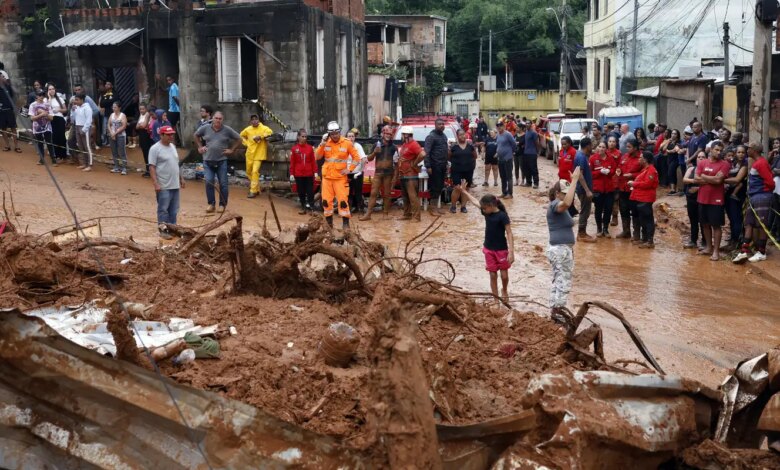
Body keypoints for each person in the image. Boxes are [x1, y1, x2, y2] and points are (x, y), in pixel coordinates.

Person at [461, 187, 515, 303]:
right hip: (489, 249)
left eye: (484, 208)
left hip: (501, 250)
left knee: (504, 276)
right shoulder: (487, 213)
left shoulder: (502, 216)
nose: (483, 210)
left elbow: (509, 233)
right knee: (492, 275)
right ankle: (496, 299)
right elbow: (475, 202)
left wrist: (511, 252)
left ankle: (504, 290)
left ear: (491, 206)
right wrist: (464, 192)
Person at [546, 167, 582, 324]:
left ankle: (555, 311)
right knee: (563, 282)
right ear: (556, 193)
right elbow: (567, 202)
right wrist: (574, 180)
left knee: (559, 281)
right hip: (560, 249)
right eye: (564, 193)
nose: (568, 196)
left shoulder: (563, 208)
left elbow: (570, 202)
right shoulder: (555, 205)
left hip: (563, 249)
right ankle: (558, 314)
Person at [733, 143, 776, 263]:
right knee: (749, 223)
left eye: (749, 148)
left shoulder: (761, 163)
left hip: (761, 196)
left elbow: (770, 183)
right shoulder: (758, 163)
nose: (747, 150)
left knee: (761, 225)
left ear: (754, 150)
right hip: (754, 196)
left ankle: (761, 252)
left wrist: (763, 192)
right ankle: (744, 251)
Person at [194, 111, 242, 212]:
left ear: (222, 119)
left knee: (223, 184)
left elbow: (239, 138)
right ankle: (211, 204)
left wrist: (232, 150)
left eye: (220, 119)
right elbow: (196, 135)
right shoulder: (205, 128)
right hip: (207, 160)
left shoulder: (227, 130)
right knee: (209, 182)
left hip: (221, 161)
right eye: (216, 118)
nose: (218, 120)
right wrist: (200, 147)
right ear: (213, 118)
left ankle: (222, 205)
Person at [315, 121, 359, 229]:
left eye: (336, 133)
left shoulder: (347, 143)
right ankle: (329, 225)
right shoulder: (325, 142)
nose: (335, 136)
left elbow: (356, 158)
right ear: (329, 134)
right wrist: (322, 143)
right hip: (327, 177)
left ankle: (346, 225)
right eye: (332, 134)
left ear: (340, 132)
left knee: (343, 201)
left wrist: (349, 169)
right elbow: (317, 156)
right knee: (326, 202)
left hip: (340, 178)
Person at [694, 141, 730, 261]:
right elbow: (696, 179)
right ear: (711, 150)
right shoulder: (702, 162)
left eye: (721, 150)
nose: (719, 152)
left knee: (716, 225)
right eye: (717, 150)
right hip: (702, 198)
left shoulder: (725, 164)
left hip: (716, 200)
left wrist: (704, 176)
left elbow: (718, 181)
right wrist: (712, 178)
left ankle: (716, 252)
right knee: (704, 224)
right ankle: (709, 247)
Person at [149, 125, 184, 240]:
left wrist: (181, 178)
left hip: (175, 184)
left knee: (174, 209)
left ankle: (173, 229)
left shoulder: (173, 146)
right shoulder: (155, 149)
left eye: (172, 134)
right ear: (161, 135)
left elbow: (176, 164)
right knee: (163, 209)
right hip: (163, 184)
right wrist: (155, 183)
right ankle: (163, 230)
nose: (171, 136)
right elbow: (152, 167)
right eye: (168, 135)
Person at [360, 125, 396, 220]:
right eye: (387, 133)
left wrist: (395, 177)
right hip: (378, 173)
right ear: (383, 134)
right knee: (373, 193)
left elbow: (396, 163)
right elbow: (369, 159)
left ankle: (385, 214)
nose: (388, 135)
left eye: (390, 134)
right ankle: (368, 214)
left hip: (388, 174)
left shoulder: (393, 147)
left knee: (387, 194)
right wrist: (375, 152)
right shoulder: (377, 145)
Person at [394, 125, 426, 221]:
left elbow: (423, 154)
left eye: (402, 134)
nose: (401, 136)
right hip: (403, 174)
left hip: (411, 175)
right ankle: (407, 214)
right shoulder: (405, 145)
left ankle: (416, 217)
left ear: (406, 135)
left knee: (412, 197)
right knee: (405, 197)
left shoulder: (413, 144)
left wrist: (414, 163)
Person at [628, 152, 659, 248]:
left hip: (646, 198)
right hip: (640, 198)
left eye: (641, 157)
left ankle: (650, 241)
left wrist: (634, 184)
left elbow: (647, 184)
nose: (639, 159)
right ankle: (645, 239)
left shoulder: (651, 170)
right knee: (642, 219)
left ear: (645, 160)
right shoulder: (645, 169)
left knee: (647, 219)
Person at [240, 114, 273, 198]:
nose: (254, 121)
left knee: (255, 171)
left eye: (256, 119)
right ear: (250, 121)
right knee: (248, 172)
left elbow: (270, 132)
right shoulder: (248, 129)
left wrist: (261, 137)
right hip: (249, 154)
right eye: (253, 119)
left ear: (259, 120)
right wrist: (247, 143)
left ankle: (253, 191)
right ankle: (257, 188)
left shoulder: (264, 128)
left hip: (259, 154)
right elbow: (241, 136)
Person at [723, 145, 748, 251]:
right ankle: (733, 240)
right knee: (731, 218)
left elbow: (737, 179)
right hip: (729, 193)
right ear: (735, 153)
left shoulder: (745, 165)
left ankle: (736, 242)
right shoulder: (733, 163)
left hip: (738, 195)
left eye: (743, 152)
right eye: (739, 152)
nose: (741, 154)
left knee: (736, 218)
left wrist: (721, 180)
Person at [589, 141, 617, 237]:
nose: (601, 149)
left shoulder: (610, 158)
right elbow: (590, 173)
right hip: (598, 189)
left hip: (609, 189)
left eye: (603, 147)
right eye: (600, 146)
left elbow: (614, 170)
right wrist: (599, 172)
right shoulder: (593, 158)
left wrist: (609, 171)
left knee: (608, 209)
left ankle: (605, 228)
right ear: (597, 147)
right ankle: (599, 228)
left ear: (606, 149)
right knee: (598, 209)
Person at [616, 139, 642, 240]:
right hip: (623, 188)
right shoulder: (625, 156)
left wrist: (632, 175)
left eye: (629, 147)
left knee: (635, 211)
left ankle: (636, 234)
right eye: (627, 146)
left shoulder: (641, 158)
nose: (627, 149)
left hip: (634, 189)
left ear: (635, 148)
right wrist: (618, 170)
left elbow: (644, 172)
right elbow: (619, 167)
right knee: (623, 210)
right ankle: (626, 231)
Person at [448, 129, 478, 213]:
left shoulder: (470, 145)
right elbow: (449, 157)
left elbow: (475, 156)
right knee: (457, 188)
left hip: (468, 170)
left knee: (466, 188)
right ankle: (453, 206)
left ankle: (463, 207)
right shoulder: (453, 146)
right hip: (456, 170)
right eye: (460, 135)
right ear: (457, 136)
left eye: (463, 134)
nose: (462, 136)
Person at [423, 118, 450, 215]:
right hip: (434, 166)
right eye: (439, 124)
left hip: (442, 165)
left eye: (443, 124)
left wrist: (447, 164)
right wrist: (428, 166)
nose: (442, 125)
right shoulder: (431, 137)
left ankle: (436, 207)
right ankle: (432, 208)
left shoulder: (444, 136)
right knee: (434, 187)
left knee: (440, 186)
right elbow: (426, 152)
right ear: (435, 125)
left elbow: (445, 150)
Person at [682, 151, 706, 249]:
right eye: (699, 157)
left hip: (703, 198)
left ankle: (705, 241)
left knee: (703, 221)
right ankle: (693, 240)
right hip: (691, 198)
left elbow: (709, 182)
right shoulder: (691, 168)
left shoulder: (707, 169)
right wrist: (695, 181)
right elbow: (684, 179)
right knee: (693, 220)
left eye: (703, 157)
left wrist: (698, 188)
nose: (700, 158)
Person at [573, 138, 596, 242]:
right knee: (585, 211)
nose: (592, 147)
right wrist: (587, 190)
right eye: (591, 145)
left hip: (582, 188)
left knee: (585, 210)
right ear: (587, 146)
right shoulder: (581, 157)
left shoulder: (580, 155)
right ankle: (581, 234)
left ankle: (582, 233)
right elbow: (580, 175)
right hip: (583, 189)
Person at [289, 128, 317, 214]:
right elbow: (292, 162)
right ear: (298, 137)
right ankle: (303, 206)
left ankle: (312, 207)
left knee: (310, 191)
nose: (304, 138)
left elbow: (313, 161)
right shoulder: (294, 149)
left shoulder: (310, 148)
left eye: (305, 137)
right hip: (298, 174)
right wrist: (291, 174)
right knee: (301, 191)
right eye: (302, 136)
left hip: (309, 173)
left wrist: (315, 172)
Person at [28, 90, 56, 166]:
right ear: (36, 96)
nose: (41, 97)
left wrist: (44, 114)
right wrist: (41, 114)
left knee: (49, 142)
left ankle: (53, 159)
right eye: (40, 95)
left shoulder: (47, 105)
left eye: (43, 95)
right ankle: (41, 159)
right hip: (37, 127)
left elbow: (51, 118)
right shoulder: (32, 105)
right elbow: (32, 118)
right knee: (40, 143)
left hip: (47, 127)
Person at [45, 84, 68, 162]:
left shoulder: (60, 99)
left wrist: (58, 110)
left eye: (53, 89)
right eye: (50, 89)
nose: (52, 90)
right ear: (47, 91)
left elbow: (65, 110)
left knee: (61, 137)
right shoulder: (46, 100)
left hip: (60, 119)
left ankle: (63, 155)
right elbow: (46, 108)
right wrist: (49, 98)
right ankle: (57, 155)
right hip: (51, 119)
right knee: (54, 137)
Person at [346, 128, 367, 214]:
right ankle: (349, 209)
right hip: (347, 173)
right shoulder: (344, 146)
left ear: (355, 138)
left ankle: (361, 209)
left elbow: (363, 159)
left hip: (357, 173)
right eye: (349, 136)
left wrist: (361, 170)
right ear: (346, 137)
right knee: (348, 192)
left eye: (352, 136)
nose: (351, 138)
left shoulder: (358, 146)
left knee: (358, 192)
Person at [495, 122, 517, 198]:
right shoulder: (498, 135)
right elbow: (499, 145)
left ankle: (510, 194)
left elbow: (514, 144)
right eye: (498, 126)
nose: (499, 127)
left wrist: (511, 152)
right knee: (502, 176)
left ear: (504, 126)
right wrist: (497, 153)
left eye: (500, 126)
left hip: (507, 158)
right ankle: (504, 192)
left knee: (509, 177)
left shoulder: (508, 134)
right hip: (500, 159)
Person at [0, 72, 20, 153]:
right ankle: (7, 145)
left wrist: (9, 84)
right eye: (2, 77)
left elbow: (14, 95)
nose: (4, 78)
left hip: (9, 110)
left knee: (13, 128)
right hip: (1, 112)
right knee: (3, 129)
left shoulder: (8, 87)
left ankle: (16, 146)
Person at [71, 94, 92, 171]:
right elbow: (73, 118)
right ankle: (84, 163)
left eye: (77, 100)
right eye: (75, 100)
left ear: (82, 100)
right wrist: (73, 110)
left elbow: (89, 120)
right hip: (77, 126)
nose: (75, 101)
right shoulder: (77, 107)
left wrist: (84, 129)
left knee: (87, 146)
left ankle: (89, 164)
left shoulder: (87, 108)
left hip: (84, 128)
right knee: (80, 146)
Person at [107, 101, 128, 175]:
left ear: (119, 108)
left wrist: (115, 133)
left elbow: (124, 126)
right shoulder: (112, 115)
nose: (113, 108)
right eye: (113, 107)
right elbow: (108, 124)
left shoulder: (122, 115)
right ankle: (116, 166)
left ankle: (124, 167)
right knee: (114, 151)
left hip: (121, 135)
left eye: (115, 107)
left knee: (122, 151)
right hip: (112, 135)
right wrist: (111, 133)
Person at [136, 103, 153, 177]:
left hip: (146, 135)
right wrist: (141, 125)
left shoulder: (147, 114)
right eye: (140, 109)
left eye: (143, 109)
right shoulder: (141, 115)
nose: (141, 110)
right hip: (141, 135)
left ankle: (150, 171)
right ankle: (147, 170)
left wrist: (140, 125)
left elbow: (143, 125)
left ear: (146, 109)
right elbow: (137, 126)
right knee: (144, 153)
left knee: (147, 153)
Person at [521, 122, 541, 188]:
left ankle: (536, 183)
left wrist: (537, 152)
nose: (527, 124)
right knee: (527, 168)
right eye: (526, 123)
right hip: (526, 153)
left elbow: (537, 143)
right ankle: (528, 182)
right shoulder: (526, 132)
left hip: (532, 153)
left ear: (531, 125)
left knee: (533, 168)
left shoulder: (534, 133)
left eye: (528, 123)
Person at [98, 81, 114, 147]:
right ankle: (105, 142)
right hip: (105, 113)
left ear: (111, 86)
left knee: (111, 127)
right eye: (106, 84)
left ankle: (111, 141)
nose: (106, 85)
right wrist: (107, 103)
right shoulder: (103, 94)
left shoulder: (114, 93)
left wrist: (106, 103)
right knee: (105, 128)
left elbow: (113, 101)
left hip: (112, 113)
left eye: (108, 84)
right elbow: (101, 104)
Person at [166, 75, 181, 145]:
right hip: (175, 110)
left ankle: (173, 142)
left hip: (173, 110)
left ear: (173, 79)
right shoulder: (175, 86)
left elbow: (174, 97)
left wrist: (179, 105)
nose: (168, 81)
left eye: (170, 80)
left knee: (171, 127)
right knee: (174, 127)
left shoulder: (173, 87)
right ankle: (174, 142)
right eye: (167, 80)